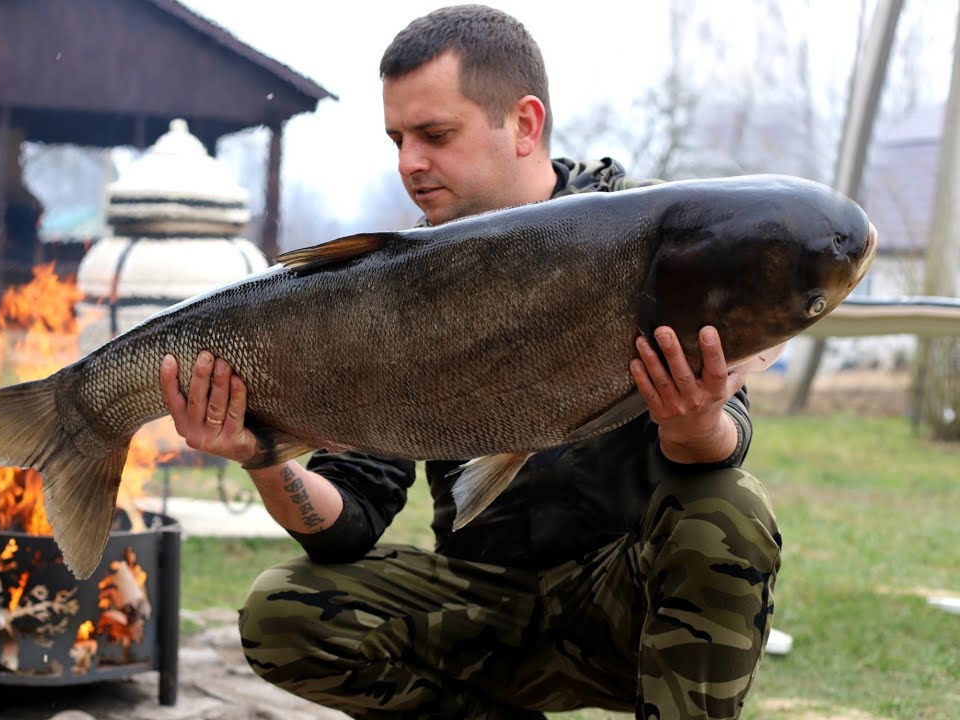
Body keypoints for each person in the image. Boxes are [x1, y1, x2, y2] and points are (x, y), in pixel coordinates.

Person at [158, 5, 781, 719]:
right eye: (397, 138)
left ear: (524, 123)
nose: (408, 163)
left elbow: (720, 446)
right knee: (286, 612)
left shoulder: (646, 235)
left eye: (435, 135)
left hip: (622, 604)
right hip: (481, 609)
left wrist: (693, 421)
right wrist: (263, 455)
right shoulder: (389, 285)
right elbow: (351, 519)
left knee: (728, 508)